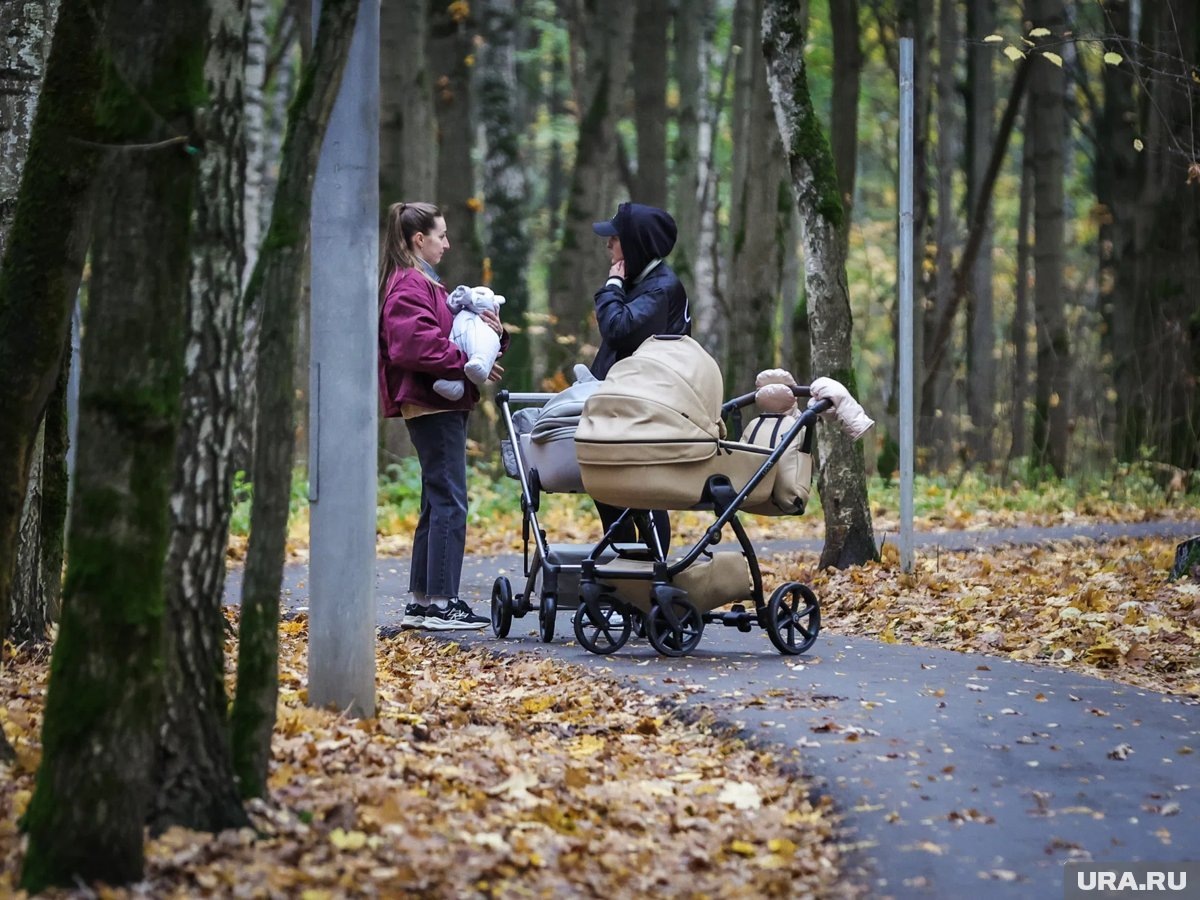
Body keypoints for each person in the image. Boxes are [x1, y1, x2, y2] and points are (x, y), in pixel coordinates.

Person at [378, 201, 507, 631]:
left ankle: (422, 600)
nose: (447, 244)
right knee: (450, 499)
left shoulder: (424, 284)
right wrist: (464, 361)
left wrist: (491, 342)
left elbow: (449, 335)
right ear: (420, 239)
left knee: (436, 501)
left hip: (439, 400)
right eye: (441, 236)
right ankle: (442, 602)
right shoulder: (409, 286)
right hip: (432, 403)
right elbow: (412, 345)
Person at [590, 202, 692, 554]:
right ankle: (625, 578)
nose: (608, 246)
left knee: (642, 493)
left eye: (615, 239)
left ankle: (654, 573)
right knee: (608, 489)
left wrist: (612, 285)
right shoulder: (642, 281)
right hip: (623, 405)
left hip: (647, 410)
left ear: (634, 244)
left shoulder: (660, 288)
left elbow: (618, 329)